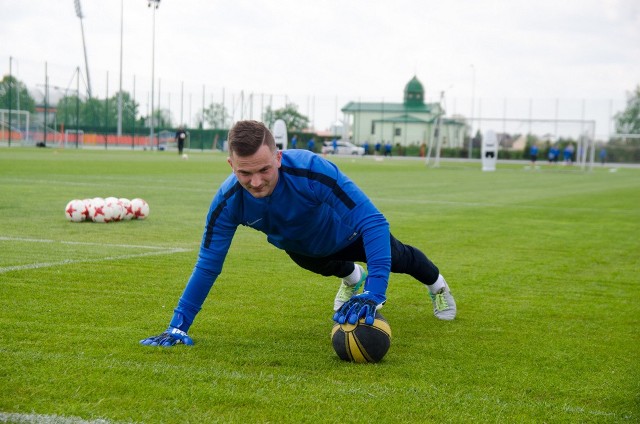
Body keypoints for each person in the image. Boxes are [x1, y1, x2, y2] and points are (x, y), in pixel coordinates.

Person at [140, 120, 456, 347]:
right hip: (302, 248)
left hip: (349, 234)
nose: (256, 182)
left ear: (278, 157)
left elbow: (373, 221)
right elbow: (208, 263)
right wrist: (178, 326)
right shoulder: (227, 202)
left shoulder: (311, 169)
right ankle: (351, 278)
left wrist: (375, 291)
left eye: (264, 169)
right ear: (230, 165)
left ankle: (438, 288)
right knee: (314, 263)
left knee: (401, 258)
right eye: (244, 173)